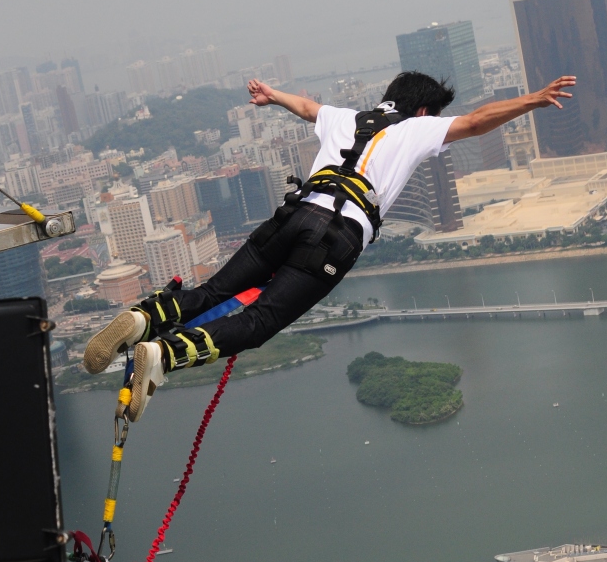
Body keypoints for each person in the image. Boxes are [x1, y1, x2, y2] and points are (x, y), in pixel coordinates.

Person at [84, 70, 575, 419]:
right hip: (337, 236)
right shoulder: (419, 126)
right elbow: (479, 120)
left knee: (213, 292)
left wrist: (271, 94)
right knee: (259, 322)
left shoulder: (347, 117)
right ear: (424, 108)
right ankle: (164, 356)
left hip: (294, 213)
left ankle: (144, 317)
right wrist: (532, 99)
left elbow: (307, 107)